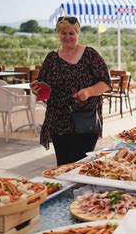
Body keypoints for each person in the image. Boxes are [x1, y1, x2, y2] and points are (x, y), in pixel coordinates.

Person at [31, 16, 111, 166]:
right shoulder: (51, 58)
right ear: (58, 34)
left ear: (78, 34)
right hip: (58, 121)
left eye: (71, 33)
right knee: (62, 165)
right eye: (64, 33)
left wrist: (88, 91)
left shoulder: (90, 54)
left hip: (83, 121)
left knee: (80, 166)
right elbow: (44, 89)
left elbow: (106, 83)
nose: (68, 37)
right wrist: (37, 89)